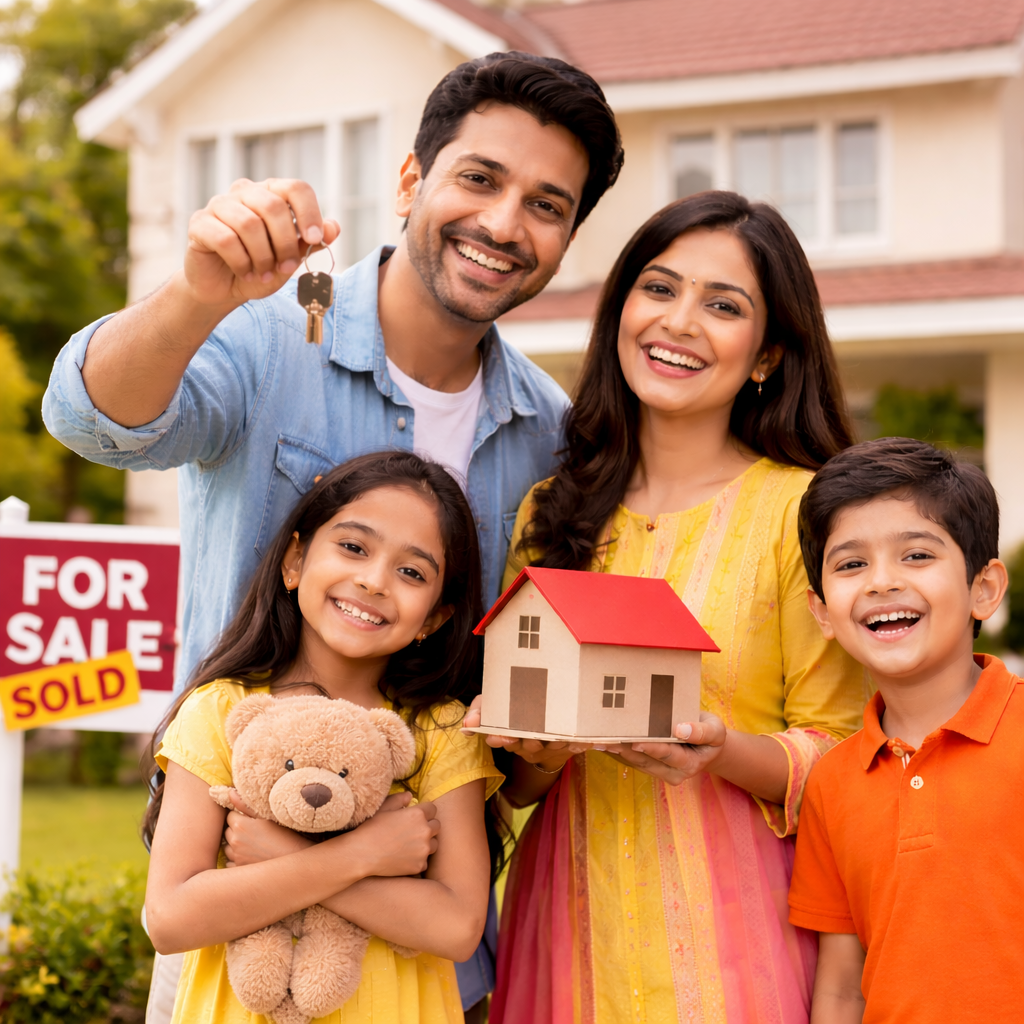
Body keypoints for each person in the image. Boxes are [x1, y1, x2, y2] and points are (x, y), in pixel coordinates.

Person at [41, 51, 623, 1016]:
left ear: (566, 240)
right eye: (479, 178)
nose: (503, 223)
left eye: (547, 205)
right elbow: (90, 419)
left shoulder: (551, 435)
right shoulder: (271, 335)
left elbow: (514, 742)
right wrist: (197, 292)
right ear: (410, 180)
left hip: (428, 970)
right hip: (231, 943)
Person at [464, 191, 873, 1023]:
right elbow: (519, 786)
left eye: (724, 306)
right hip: (567, 925)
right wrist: (533, 751)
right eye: (659, 288)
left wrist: (723, 751)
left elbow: (845, 752)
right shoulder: (552, 510)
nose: (679, 321)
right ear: (621, 313)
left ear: (767, 355)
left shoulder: (805, 513)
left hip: (740, 935)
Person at [144, 452, 505, 1024]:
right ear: (295, 560)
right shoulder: (221, 710)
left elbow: (457, 927)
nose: (373, 580)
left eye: (412, 572)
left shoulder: (439, 732)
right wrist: (363, 855)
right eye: (354, 547)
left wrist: (282, 856)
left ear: (435, 618)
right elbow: (170, 917)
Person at [790, 438, 1022, 1024]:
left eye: (916, 555)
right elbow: (841, 988)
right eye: (851, 563)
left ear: (984, 588)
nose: (881, 582)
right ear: (821, 611)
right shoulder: (831, 786)